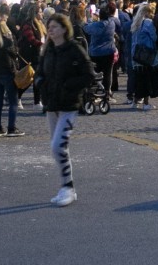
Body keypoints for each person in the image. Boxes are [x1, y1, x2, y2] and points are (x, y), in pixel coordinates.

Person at [38, 12, 96, 207]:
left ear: (64, 29)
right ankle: (66, 187)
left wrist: (69, 86)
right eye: (49, 27)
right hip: (51, 103)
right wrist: (40, 83)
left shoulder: (74, 49)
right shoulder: (48, 50)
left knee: (58, 146)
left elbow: (89, 74)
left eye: (54, 26)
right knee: (57, 148)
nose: (50, 30)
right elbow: (40, 71)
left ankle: (68, 188)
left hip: (69, 104)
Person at [0, 9, 23, 136]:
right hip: (8, 73)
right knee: (13, 102)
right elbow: (15, 53)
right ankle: (11, 127)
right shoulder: (7, 42)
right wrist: (11, 39)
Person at [83, 5, 119, 99]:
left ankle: (94, 92)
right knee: (108, 73)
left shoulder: (95, 25)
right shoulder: (112, 24)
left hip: (95, 53)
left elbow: (86, 28)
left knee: (94, 73)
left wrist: (89, 19)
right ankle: (107, 92)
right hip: (109, 51)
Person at [129, 3, 158, 110]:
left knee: (139, 79)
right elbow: (154, 37)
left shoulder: (136, 22)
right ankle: (146, 103)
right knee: (146, 79)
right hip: (146, 54)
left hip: (136, 54)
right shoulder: (148, 23)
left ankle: (135, 102)